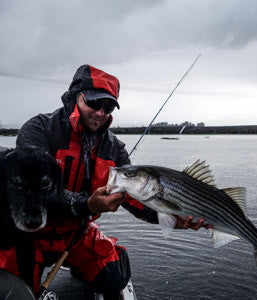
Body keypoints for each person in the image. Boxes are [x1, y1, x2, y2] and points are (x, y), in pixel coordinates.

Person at [1, 65, 209, 298]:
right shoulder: (39, 129)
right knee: (18, 293)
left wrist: (173, 217)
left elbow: (134, 198)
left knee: (114, 276)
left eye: (108, 106)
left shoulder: (114, 149)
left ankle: (82, 271)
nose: (100, 112)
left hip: (76, 234)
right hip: (28, 234)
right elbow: (32, 192)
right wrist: (85, 205)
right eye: (93, 102)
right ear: (76, 97)